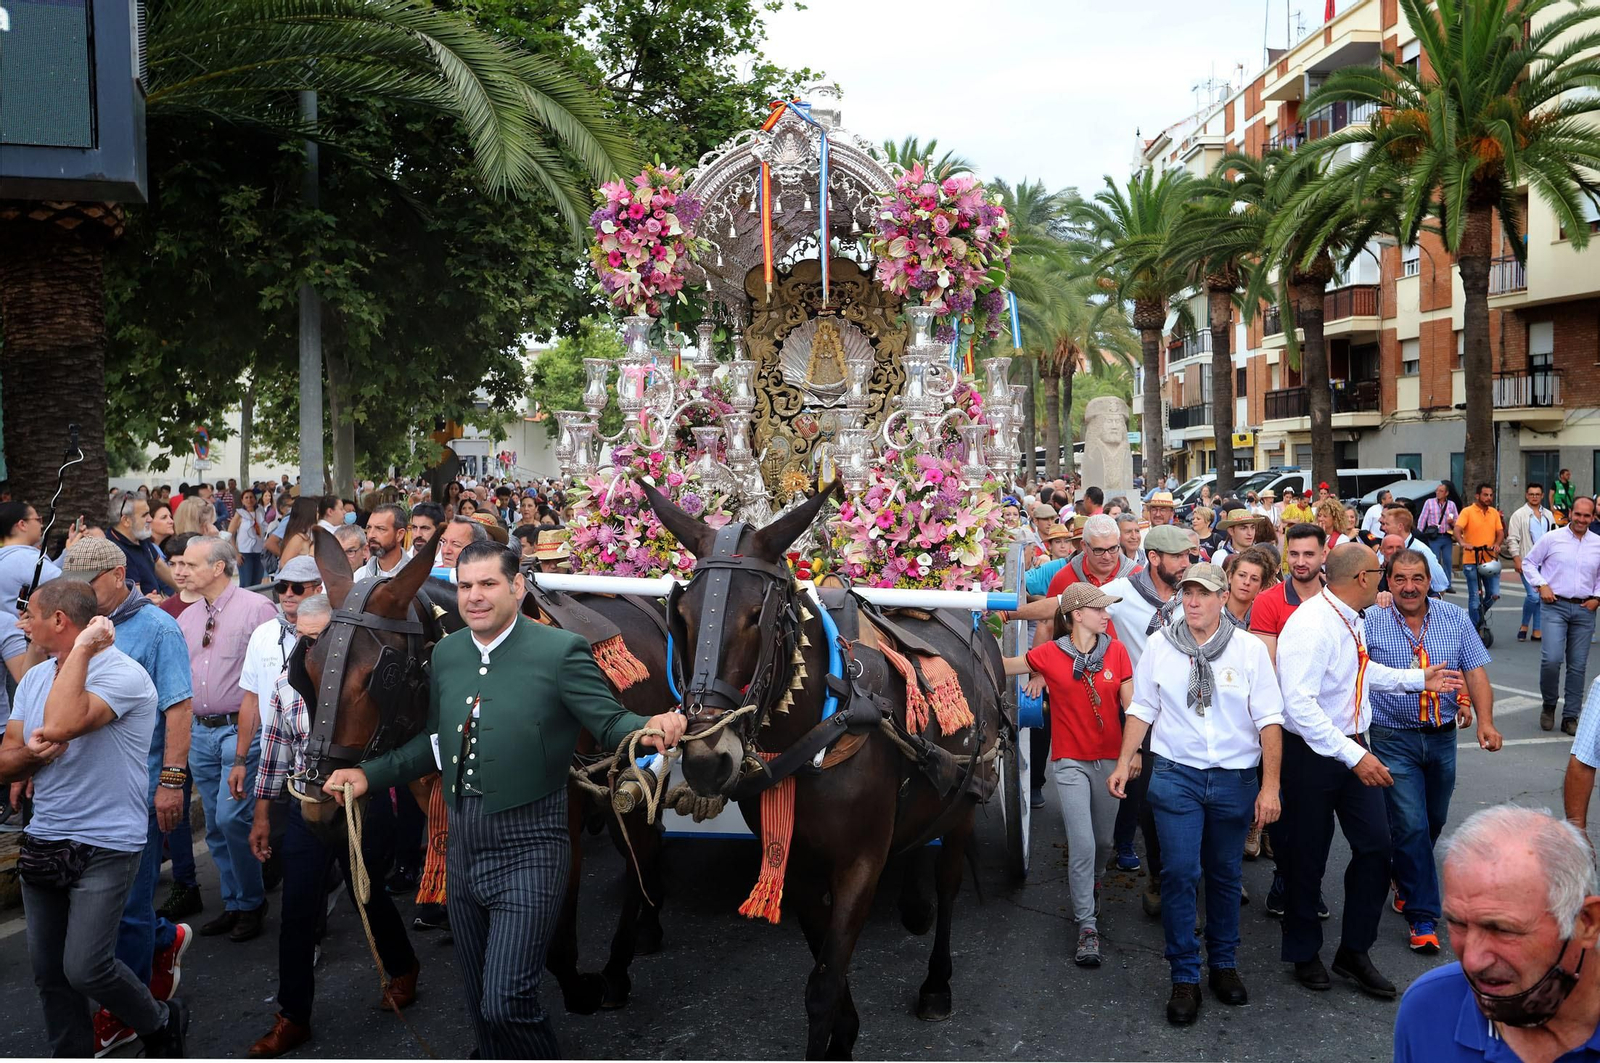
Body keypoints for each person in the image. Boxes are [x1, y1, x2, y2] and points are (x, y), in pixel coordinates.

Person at [323, 542, 685, 1058]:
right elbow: (434, 744)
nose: (474, 596)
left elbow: (607, 723)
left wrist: (650, 727)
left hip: (532, 847)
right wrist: (366, 775)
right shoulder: (446, 654)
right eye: (466, 585)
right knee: (479, 1008)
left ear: (516, 587)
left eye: (489, 584)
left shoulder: (561, 651)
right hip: (464, 851)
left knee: (506, 1002)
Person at [0, 584, 189, 1057]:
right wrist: (30, 757)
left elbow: (62, 724)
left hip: (108, 842)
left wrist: (83, 648)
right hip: (44, 838)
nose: (23, 624)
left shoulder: (122, 674)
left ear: (61, 621)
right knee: (49, 974)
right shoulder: (35, 677)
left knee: (85, 967)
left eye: (32, 616)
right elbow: (6, 760)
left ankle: (160, 1020)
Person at [1273, 543, 1461, 1000]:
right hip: (1312, 754)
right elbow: (1298, 706)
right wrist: (1353, 754)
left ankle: (1354, 951)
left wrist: (1418, 679)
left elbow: (1358, 672)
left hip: (1350, 748)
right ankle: (1304, 953)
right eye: (1379, 572)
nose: (1383, 579)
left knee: (1377, 848)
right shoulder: (1312, 624)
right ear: (1362, 578)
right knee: (1306, 858)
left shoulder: (1347, 618)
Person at [1107, 562, 1283, 1025]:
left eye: (1203, 593)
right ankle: (1184, 974)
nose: (1193, 601)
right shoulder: (1161, 646)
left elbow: (1269, 719)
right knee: (1180, 872)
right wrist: (1125, 762)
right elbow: (1142, 707)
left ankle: (1223, 965)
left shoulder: (1247, 650)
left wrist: (1270, 786)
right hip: (1176, 776)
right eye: (1187, 592)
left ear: (1223, 598)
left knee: (1224, 876)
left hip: (1234, 779)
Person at [245, 594, 419, 1057]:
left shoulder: (368, 684)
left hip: (361, 803)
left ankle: (403, 969)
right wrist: (262, 815)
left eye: (324, 639)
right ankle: (292, 1016)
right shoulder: (286, 685)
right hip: (307, 804)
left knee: (370, 894)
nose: (315, 649)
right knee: (297, 911)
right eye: (306, 639)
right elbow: (275, 751)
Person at [54, 540, 197, 1055]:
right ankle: (163, 940)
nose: (77, 597)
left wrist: (171, 782)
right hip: (83, 789)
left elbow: (178, 709)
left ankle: (127, 1011)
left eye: (87, 587)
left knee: (128, 908)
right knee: (97, 911)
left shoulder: (157, 628)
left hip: (136, 790)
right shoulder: (75, 620)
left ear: (118, 575)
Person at [1367, 548, 1499, 957]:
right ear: (1388, 580)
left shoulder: (1455, 618)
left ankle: (1404, 875)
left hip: (1441, 737)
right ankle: (1423, 917)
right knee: (1411, 824)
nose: (1409, 587)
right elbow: (1357, 676)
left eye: (1417, 579)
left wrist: (1485, 720)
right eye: (1400, 578)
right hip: (1392, 737)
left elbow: (1475, 671)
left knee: (1433, 819)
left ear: (1429, 581)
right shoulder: (1369, 621)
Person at [1394, 805, 1600, 1063]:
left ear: (1587, 922)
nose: (1471, 961)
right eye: (1458, 923)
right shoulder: (1427, 1009)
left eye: (1502, 930)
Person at [1001, 583, 1133, 968]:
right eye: (1099, 609)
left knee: (1105, 843)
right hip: (1069, 761)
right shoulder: (1049, 654)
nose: (1107, 615)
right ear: (1077, 614)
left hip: (1110, 760)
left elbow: (1132, 706)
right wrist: (972, 636)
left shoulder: (1117, 651)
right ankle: (1087, 925)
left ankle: (1093, 883)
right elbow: (1007, 665)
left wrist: (1133, 752)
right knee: (1084, 843)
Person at [174, 537, 278, 942]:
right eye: (179, 563)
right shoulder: (186, 617)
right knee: (217, 828)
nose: (182, 570)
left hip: (241, 731)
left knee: (229, 818)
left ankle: (252, 901)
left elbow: (270, 673)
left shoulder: (257, 609)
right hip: (200, 731)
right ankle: (236, 902)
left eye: (191, 564)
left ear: (218, 568)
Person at [1101, 525, 1194, 897]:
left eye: (1189, 556)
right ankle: (1159, 875)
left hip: (1192, 711)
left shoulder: (1195, 591)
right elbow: (1068, 603)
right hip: (1146, 713)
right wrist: (1009, 613)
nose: (1187, 563)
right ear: (1153, 558)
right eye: (1179, 557)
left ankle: (1212, 876)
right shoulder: (1122, 591)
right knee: (1152, 799)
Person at [1523, 495, 1600, 734]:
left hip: (1584, 609)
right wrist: (1541, 584)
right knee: (1552, 659)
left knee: (1577, 666)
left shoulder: (1598, 543)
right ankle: (1549, 705)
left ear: (1592, 517)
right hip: (1554, 605)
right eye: (1578, 514)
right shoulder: (1552, 538)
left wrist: (1597, 598)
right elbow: (1528, 563)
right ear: (1571, 513)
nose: (1581, 519)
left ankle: (1570, 717)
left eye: (1587, 515)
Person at [0, 501, 61, 681]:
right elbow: (69, 587)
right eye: (38, 519)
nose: (42, 524)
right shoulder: (27, 558)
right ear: (22, 524)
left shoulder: (6, 557)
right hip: (29, 653)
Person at [1250, 523, 1327, 663]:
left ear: (1323, 556)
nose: (1300, 562)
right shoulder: (1267, 601)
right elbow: (1267, 665)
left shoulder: (1336, 599)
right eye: (1294, 554)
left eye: (1308, 554)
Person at [107, 491, 177, 598]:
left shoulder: (139, 536)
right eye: (145, 515)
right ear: (126, 520)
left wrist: (187, 593)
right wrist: (149, 602)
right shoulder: (115, 550)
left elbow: (160, 567)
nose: (150, 519)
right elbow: (135, 597)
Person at [1508, 482, 1554, 642]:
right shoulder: (1519, 515)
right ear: (1527, 495)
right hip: (1528, 561)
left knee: (1542, 596)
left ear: (1542, 496)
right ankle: (1524, 625)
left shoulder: (1548, 515)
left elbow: (1554, 538)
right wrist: (1516, 558)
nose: (1534, 497)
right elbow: (1512, 539)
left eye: (1537, 494)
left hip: (1547, 562)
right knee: (1533, 596)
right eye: (1531, 494)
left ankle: (1537, 629)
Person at [1455, 483, 1506, 631]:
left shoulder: (1494, 512)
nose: (1488, 498)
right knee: (1475, 596)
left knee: (1494, 594)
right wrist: (1463, 543)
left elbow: (1500, 532)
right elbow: (1458, 529)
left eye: (1490, 495)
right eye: (1485, 495)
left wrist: (1497, 544)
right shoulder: (1467, 512)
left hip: (1490, 559)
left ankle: (1479, 616)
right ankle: (1476, 628)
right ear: (1477, 496)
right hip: (1472, 559)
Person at [1381, 503, 1451, 594]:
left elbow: (1440, 586)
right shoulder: (1385, 544)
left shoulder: (1422, 551)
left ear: (1400, 527)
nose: (1384, 528)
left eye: (1387, 524)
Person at [1419, 482, 1460, 590]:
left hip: (1446, 536)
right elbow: (1423, 518)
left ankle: (1448, 584)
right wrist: (1420, 533)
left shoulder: (1451, 505)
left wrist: (1452, 522)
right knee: (1434, 560)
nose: (1438, 493)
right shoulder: (1429, 503)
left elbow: (1458, 521)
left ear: (1446, 493)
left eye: (1441, 491)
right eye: (1437, 491)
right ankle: (1434, 584)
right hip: (1434, 536)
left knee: (1447, 560)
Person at [1222, 548, 1275, 631]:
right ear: (1230, 577)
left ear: (1261, 587)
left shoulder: (1264, 619)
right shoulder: (1213, 611)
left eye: (1254, 579)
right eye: (1242, 575)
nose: (1247, 582)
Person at [356, 503, 411, 581]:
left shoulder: (416, 575)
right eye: (369, 528)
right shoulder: (359, 577)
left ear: (400, 535)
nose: (371, 535)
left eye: (380, 529)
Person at [228, 490, 269, 589]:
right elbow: (230, 534)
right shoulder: (240, 514)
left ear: (255, 499)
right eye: (246, 497)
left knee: (257, 582)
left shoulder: (260, 512)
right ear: (242, 500)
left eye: (251, 497)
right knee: (246, 582)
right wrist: (236, 553)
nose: (249, 500)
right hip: (244, 553)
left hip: (259, 552)